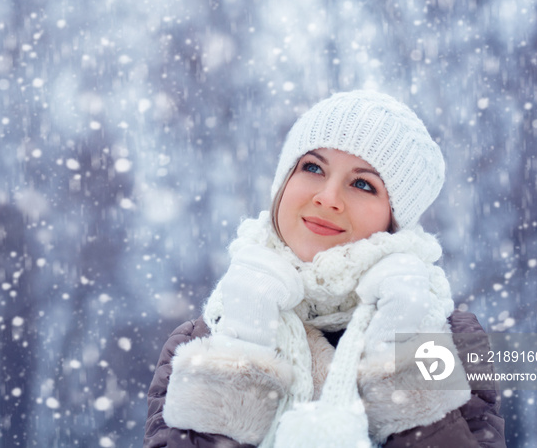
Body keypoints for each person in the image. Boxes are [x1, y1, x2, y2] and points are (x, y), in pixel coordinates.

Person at [143, 90, 506, 447]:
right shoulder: (202, 341)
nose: (328, 198)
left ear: (395, 220)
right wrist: (242, 350)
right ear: (283, 182)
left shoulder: (450, 338)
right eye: (313, 167)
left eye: (363, 184)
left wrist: (402, 354)